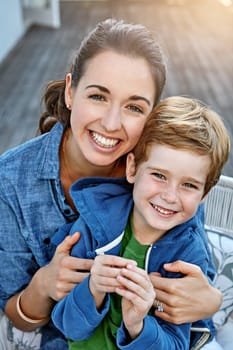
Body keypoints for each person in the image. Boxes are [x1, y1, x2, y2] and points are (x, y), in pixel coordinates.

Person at [0, 18, 221, 350]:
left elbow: (194, 261)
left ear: (151, 116)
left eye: (134, 106)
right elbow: (16, 316)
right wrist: (44, 285)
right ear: (71, 91)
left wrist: (209, 302)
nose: (112, 122)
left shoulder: (165, 179)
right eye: (98, 96)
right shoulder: (10, 181)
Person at [51, 96, 230, 350]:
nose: (170, 196)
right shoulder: (95, 225)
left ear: (204, 195)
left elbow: (176, 345)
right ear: (132, 169)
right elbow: (68, 327)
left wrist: (138, 326)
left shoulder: (188, 258)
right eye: (159, 175)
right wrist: (93, 288)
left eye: (188, 185)